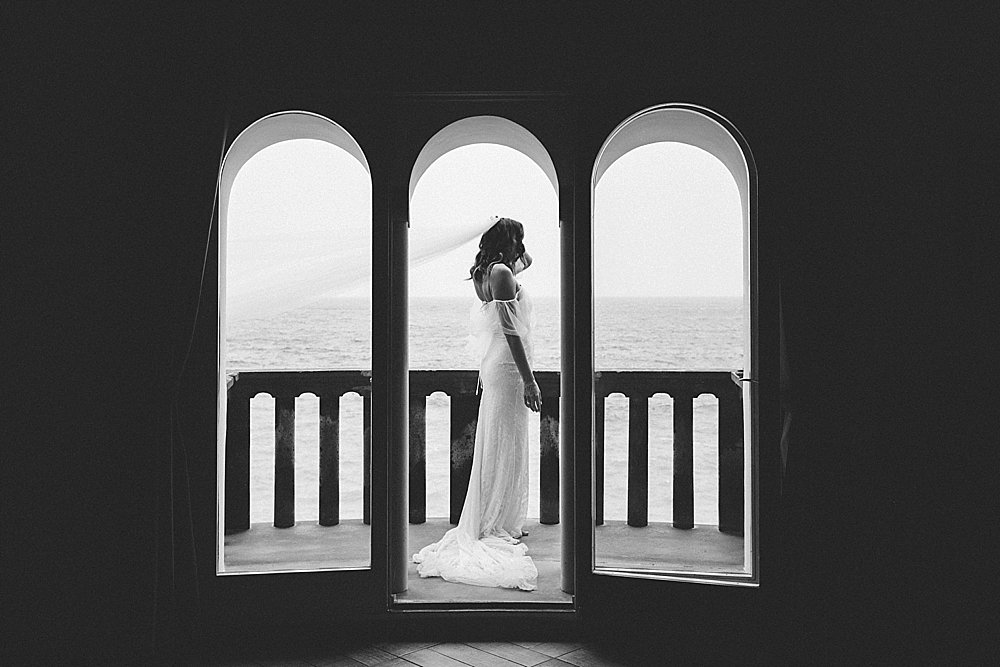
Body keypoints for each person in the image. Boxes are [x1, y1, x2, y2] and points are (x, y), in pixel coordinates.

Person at [411, 217, 540, 591]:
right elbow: (512, 331)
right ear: (507, 241)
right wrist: (530, 379)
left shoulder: (488, 269)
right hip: (509, 365)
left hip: (502, 365)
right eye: (520, 237)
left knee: (505, 439)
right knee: (504, 440)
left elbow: (526, 260)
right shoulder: (500, 272)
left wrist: (510, 236)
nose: (524, 245)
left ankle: (501, 517)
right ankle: (493, 522)